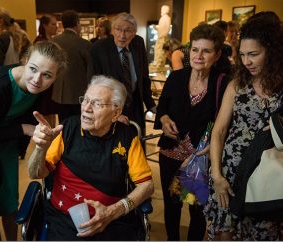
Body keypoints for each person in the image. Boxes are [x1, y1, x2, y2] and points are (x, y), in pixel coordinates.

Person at [27, 75, 154, 240]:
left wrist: (113, 212)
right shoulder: (68, 129)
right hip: (64, 219)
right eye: (85, 100)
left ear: (116, 113)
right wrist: (40, 148)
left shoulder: (127, 138)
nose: (86, 108)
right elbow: (36, 173)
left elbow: (147, 185)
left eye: (97, 104)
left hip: (111, 221)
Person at [204, 12, 283, 241]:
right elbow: (218, 132)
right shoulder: (237, 84)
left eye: (254, 54)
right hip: (229, 175)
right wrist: (217, 175)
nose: (246, 61)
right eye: (242, 55)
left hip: (267, 178)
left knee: (262, 232)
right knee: (224, 233)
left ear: (272, 52)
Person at [0, 41, 67, 241]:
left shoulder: (41, 87)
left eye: (47, 75)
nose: (37, 80)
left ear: (55, 77)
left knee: (10, 202)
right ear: (25, 60)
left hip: (5, 149)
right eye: (33, 69)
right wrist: (23, 129)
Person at [154, 24, 229, 241]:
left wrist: (213, 145)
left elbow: (225, 123)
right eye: (195, 49)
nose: (198, 56)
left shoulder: (222, 83)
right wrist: (164, 119)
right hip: (171, 153)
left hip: (200, 156)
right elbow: (162, 108)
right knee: (171, 204)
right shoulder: (177, 77)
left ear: (217, 55)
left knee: (197, 210)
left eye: (206, 51)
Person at [89, 12, 156, 134]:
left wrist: (151, 104)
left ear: (134, 32)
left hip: (135, 106)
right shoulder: (99, 48)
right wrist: (112, 113)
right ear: (112, 31)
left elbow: (144, 77)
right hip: (110, 108)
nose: (122, 35)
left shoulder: (138, 43)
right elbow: (94, 86)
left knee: (136, 145)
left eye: (127, 31)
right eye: (118, 29)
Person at [52, 10, 92, 122]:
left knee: (63, 124)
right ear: (77, 24)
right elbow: (91, 70)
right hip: (79, 93)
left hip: (59, 93)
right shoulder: (85, 44)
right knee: (80, 124)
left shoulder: (53, 41)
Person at [153, 5, 171, 69]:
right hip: (160, 37)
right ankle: (158, 66)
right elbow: (162, 29)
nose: (161, 11)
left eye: (162, 9)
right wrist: (156, 29)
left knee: (161, 52)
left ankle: (159, 66)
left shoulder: (167, 18)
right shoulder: (162, 18)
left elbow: (167, 29)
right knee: (158, 51)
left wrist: (163, 36)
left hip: (162, 38)